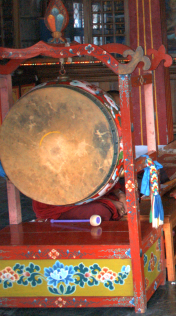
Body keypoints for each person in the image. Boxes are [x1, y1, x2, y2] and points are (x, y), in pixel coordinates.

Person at [33, 89, 129, 222]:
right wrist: (108, 201)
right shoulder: (60, 143)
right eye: (114, 110)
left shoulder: (97, 135)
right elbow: (70, 190)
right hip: (61, 205)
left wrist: (120, 194)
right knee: (102, 211)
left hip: (92, 195)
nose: (117, 114)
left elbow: (104, 173)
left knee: (133, 195)